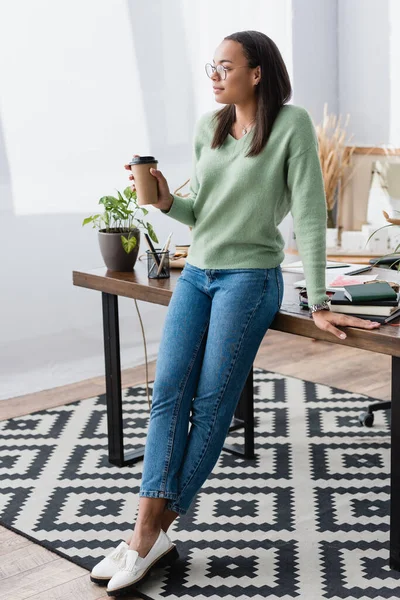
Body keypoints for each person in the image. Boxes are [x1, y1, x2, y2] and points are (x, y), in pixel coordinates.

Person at [93, 30, 382, 596]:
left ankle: (146, 532)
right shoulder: (211, 128)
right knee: (167, 394)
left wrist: (319, 301)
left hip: (250, 281)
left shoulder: (290, 125)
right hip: (198, 274)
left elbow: (306, 215)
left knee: (211, 403)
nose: (215, 75)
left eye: (226, 66)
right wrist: (162, 200)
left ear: (257, 73)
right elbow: (202, 212)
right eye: (212, 66)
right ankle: (148, 534)